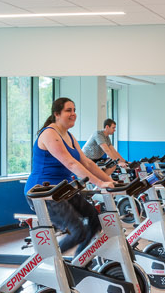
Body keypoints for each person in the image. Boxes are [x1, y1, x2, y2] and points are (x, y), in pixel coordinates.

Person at [26, 97, 115, 253]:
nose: (73, 113)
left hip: (63, 190)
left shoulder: (68, 136)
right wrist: (100, 184)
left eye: (74, 110)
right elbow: (71, 164)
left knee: (95, 219)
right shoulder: (49, 134)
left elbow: (86, 162)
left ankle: (79, 261)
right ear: (57, 114)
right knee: (78, 230)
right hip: (42, 192)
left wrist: (110, 181)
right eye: (68, 110)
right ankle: (50, 264)